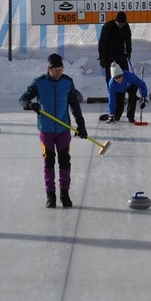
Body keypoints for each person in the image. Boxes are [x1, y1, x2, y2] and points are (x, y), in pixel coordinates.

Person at [19, 54, 87, 209]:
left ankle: (65, 193)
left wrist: (81, 124)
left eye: (60, 70)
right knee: (49, 162)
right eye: (55, 70)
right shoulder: (39, 83)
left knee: (64, 162)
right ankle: (50, 195)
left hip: (63, 129)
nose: (58, 73)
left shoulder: (67, 82)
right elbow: (23, 98)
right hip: (46, 130)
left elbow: (74, 105)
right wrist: (30, 105)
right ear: (48, 69)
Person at [98, 11, 132, 89]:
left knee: (124, 72)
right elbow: (102, 43)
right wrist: (102, 57)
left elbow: (128, 39)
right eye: (119, 24)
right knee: (111, 75)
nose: (121, 26)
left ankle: (123, 93)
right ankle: (112, 92)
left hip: (120, 53)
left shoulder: (126, 27)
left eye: (122, 24)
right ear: (116, 21)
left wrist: (129, 51)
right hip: (109, 54)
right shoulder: (107, 26)